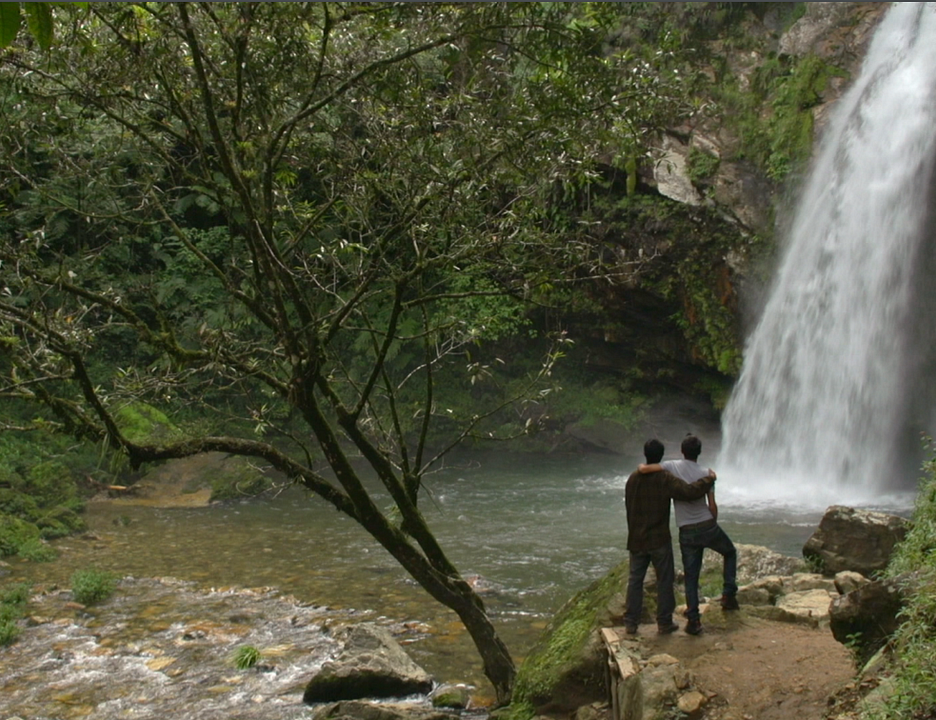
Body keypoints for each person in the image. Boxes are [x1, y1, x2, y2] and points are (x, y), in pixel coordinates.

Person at [639, 434, 738, 636]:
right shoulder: (706, 474)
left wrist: (642, 468)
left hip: (686, 529)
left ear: (682, 451)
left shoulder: (672, 466)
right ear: (699, 453)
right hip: (706, 525)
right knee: (730, 552)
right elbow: (712, 505)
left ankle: (694, 620)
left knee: (691, 577)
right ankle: (728, 594)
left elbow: (645, 469)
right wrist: (713, 523)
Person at [624, 438, 717, 635]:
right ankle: (664, 622)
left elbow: (629, 507)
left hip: (636, 538)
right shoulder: (664, 478)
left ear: (645, 454)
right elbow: (689, 492)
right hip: (658, 538)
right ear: (661, 456)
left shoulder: (633, 478)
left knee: (635, 581)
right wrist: (708, 479)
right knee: (664, 580)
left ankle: (631, 622)